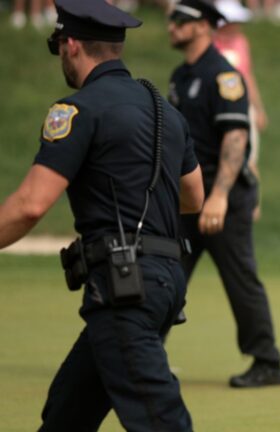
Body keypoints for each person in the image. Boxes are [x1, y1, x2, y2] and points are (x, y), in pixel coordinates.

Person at [0, 0, 205, 429]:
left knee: (159, 419)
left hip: (123, 287)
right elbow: (193, 197)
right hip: (165, 280)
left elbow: (30, 205)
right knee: (67, 412)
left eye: (59, 46)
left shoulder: (78, 110)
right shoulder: (167, 113)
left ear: (71, 45)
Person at [168, 0, 280, 388]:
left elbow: (237, 137)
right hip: (190, 198)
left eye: (180, 20)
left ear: (203, 25)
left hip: (225, 197)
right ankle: (144, 352)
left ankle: (267, 362)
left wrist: (218, 196)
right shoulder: (181, 76)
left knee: (240, 278)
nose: (171, 26)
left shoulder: (224, 76)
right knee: (165, 274)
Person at [213, 0, 268, 221]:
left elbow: (248, 76)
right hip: (220, 111)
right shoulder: (211, 45)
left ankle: (252, 206)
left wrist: (259, 108)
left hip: (243, 109)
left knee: (250, 157)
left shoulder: (240, 42)